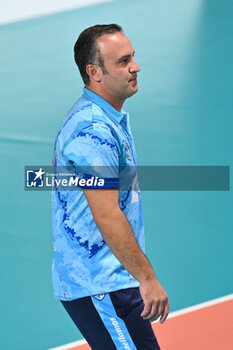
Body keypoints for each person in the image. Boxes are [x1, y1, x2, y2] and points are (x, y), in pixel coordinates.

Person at [52, 24, 169, 350]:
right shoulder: (94, 129)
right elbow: (106, 214)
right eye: (123, 61)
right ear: (95, 72)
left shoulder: (107, 118)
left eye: (133, 57)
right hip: (101, 284)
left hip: (110, 280)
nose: (135, 67)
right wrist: (147, 278)